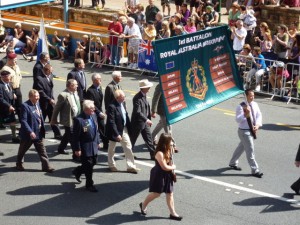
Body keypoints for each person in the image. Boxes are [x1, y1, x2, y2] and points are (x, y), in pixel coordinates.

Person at [139, 133, 182, 221]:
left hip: (167, 175)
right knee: (156, 194)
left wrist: (172, 148)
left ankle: (172, 213)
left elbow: (171, 158)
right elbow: (164, 167)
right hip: (159, 175)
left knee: (170, 194)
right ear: (165, 142)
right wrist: (173, 167)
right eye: (170, 142)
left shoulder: (168, 149)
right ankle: (143, 204)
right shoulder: (159, 153)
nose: (171, 143)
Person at [16, 89, 54, 173]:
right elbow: (23, 121)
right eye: (35, 96)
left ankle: (46, 166)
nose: (37, 98)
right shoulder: (25, 106)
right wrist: (30, 131)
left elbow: (39, 116)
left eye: (38, 96)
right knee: (22, 150)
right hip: (28, 134)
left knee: (42, 150)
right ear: (30, 97)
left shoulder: (37, 104)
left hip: (38, 132)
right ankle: (19, 163)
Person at [228, 89, 263, 178]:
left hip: (251, 130)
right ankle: (255, 170)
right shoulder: (241, 106)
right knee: (250, 150)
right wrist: (244, 113)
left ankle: (232, 162)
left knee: (241, 147)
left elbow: (259, 115)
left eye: (253, 95)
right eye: (251, 95)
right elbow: (237, 120)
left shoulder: (255, 104)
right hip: (244, 131)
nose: (252, 97)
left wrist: (258, 125)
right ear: (246, 96)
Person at [106, 89, 139, 173]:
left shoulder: (123, 103)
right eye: (123, 97)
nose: (124, 98)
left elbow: (125, 116)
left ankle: (130, 166)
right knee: (111, 148)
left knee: (128, 146)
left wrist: (129, 128)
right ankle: (111, 164)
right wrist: (116, 134)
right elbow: (111, 121)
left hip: (123, 129)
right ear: (117, 98)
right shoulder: (112, 106)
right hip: (114, 131)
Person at [72, 100, 101, 192]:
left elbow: (96, 130)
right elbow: (76, 136)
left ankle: (78, 171)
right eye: (91, 108)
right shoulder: (79, 120)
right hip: (85, 147)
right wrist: (77, 149)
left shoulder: (93, 115)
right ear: (85, 109)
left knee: (94, 163)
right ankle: (89, 184)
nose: (94, 110)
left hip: (93, 145)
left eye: (93, 107)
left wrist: (97, 141)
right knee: (89, 166)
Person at [50, 79, 81, 159]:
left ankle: (61, 148)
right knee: (72, 137)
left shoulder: (75, 92)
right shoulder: (63, 95)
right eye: (76, 85)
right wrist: (53, 120)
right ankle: (76, 155)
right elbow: (57, 108)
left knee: (67, 135)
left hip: (76, 118)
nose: (77, 86)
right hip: (68, 120)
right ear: (71, 86)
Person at [33, 64, 62, 139]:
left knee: (53, 118)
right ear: (47, 70)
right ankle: (37, 133)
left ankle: (57, 134)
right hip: (43, 103)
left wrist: (52, 98)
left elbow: (51, 89)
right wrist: (49, 99)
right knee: (40, 119)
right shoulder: (39, 79)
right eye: (51, 71)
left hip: (50, 102)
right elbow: (40, 91)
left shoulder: (50, 76)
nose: (52, 72)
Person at [130, 79, 155, 160]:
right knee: (132, 140)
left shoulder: (144, 95)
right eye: (147, 87)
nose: (149, 88)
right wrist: (146, 119)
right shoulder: (137, 98)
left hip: (144, 122)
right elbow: (138, 112)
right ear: (143, 88)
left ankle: (153, 154)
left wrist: (148, 116)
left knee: (149, 139)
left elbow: (145, 108)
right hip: (138, 123)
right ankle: (129, 154)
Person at [151, 84, 178, 152]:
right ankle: (172, 144)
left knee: (161, 124)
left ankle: (150, 138)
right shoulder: (160, 85)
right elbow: (155, 98)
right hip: (162, 110)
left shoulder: (171, 84)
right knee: (168, 129)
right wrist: (153, 110)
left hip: (169, 109)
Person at [85, 73, 108, 149]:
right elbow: (91, 104)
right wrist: (99, 112)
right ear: (94, 80)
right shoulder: (90, 91)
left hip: (99, 111)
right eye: (99, 79)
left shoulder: (99, 88)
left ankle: (105, 143)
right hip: (93, 112)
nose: (101, 80)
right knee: (93, 127)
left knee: (102, 127)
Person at [1, 53, 22, 121]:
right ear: (9, 60)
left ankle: (21, 120)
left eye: (16, 60)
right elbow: (5, 82)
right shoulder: (5, 69)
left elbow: (19, 77)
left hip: (18, 88)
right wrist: (12, 92)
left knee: (19, 106)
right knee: (10, 106)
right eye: (14, 60)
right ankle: (9, 120)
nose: (16, 62)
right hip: (10, 89)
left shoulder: (17, 66)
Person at [0, 70, 19, 143]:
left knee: (13, 121)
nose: (10, 78)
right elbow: (0, 99)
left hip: (10, 107)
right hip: (3, 108)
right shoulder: (0, 86)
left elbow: (11, 91)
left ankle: (14, 137)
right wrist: (8, 106)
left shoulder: (9, 84)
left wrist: (13, 94)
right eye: (8, 76)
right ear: (3, 77)